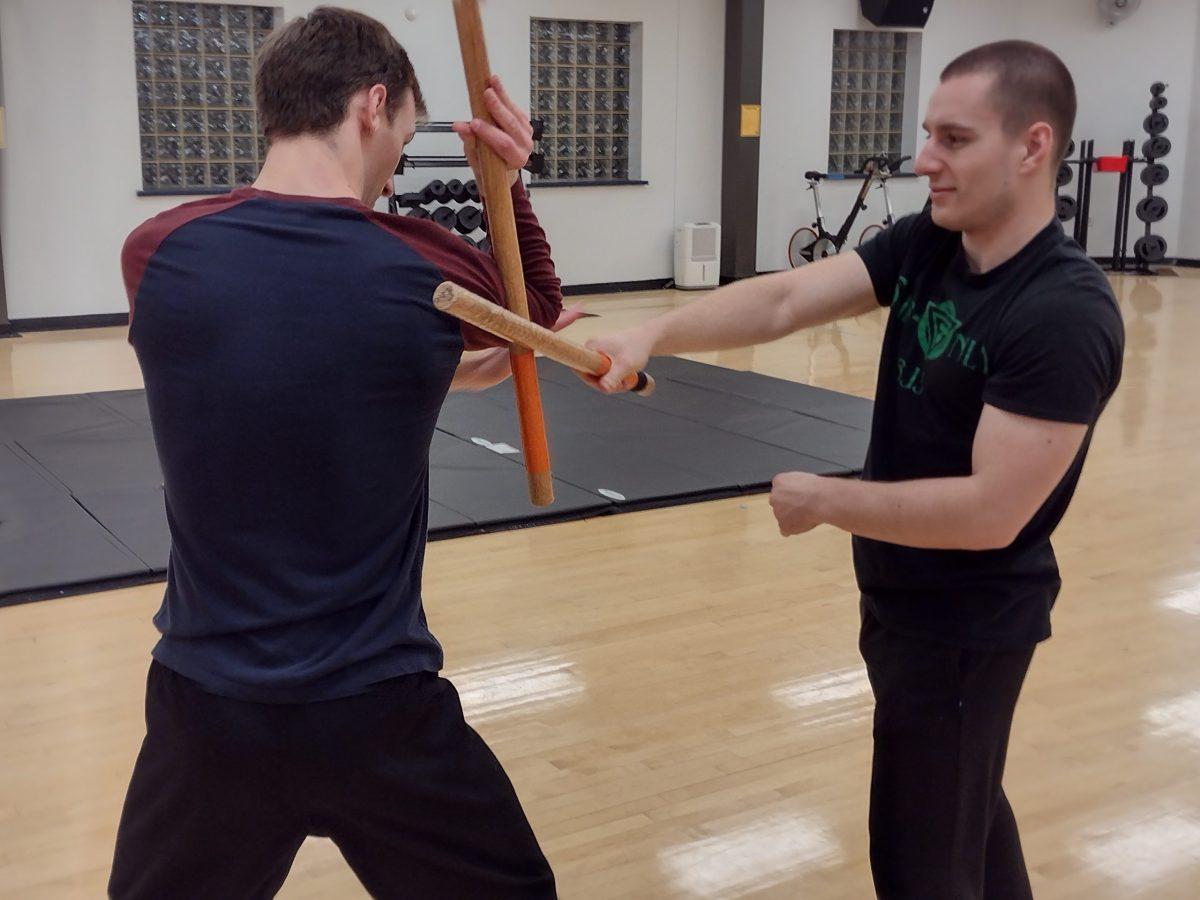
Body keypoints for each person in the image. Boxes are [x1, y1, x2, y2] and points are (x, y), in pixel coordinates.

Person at [586, 40, 1124, 899]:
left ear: (1032, 147)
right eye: (927, 134)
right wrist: (655, 334)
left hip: (966, 630)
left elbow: (991, 512)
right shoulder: (931, 246)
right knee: (970, 823)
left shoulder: (1061, 312)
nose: (924, 161)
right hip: (904, 604)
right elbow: (789, 298)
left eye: (953, 139)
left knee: (923, 858)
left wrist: (830, 499)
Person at [109, 8, 564, 898]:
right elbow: (535, 317)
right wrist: (506, 183)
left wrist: (440, 366)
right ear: (372, 103)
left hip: (209, 712)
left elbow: (301, 350)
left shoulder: (156, 253)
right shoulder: (421, 273)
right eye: (403, 132)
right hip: (378, 712)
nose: (397, 158)